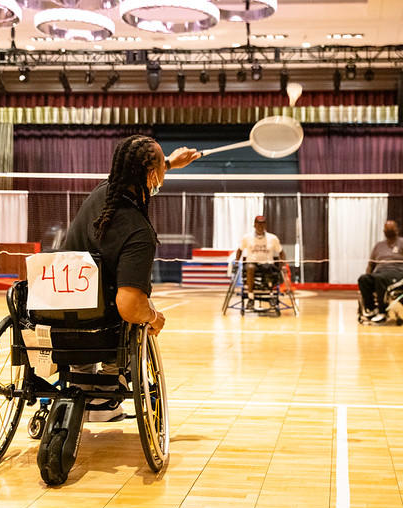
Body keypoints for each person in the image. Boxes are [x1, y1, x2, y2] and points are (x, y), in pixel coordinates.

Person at [63, 134, 200, 421]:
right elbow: (129, 305)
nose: (164, 168)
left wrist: (171, 163)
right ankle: (105, 397)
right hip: (101, 321)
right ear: (151, 174)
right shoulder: (137, 230)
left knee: (90, 300)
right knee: (133, 309)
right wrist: (153, 317)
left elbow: (139, 173)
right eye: (161, 165)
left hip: (58, 312)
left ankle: (80, 381)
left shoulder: (102, 192)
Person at [358, 220, 403, 323]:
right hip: (379, 273)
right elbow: (370, 265)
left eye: (391, 229)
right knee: (363, 279)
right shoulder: (378, 246)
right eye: (387, 229)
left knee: (380, 279)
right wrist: (367, 275)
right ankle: (372, 310)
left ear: (397, 230)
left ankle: (383, 312)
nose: (388, 231)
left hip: (398, 274)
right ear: (384, 231)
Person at [234, 215, 286, 310]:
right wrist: (236, 262)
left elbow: (281, 252)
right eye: (258, 224)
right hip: (252, 263)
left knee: (269, 268)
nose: (260, 226)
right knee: (250, 267)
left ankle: (271, 296)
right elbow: (239, 250)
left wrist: (283, 265)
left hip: (267, 264)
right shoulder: (247, 237)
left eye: (262, 224)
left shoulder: (272, 238)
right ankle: (251, 298)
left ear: (265, 225)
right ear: (254, 225)